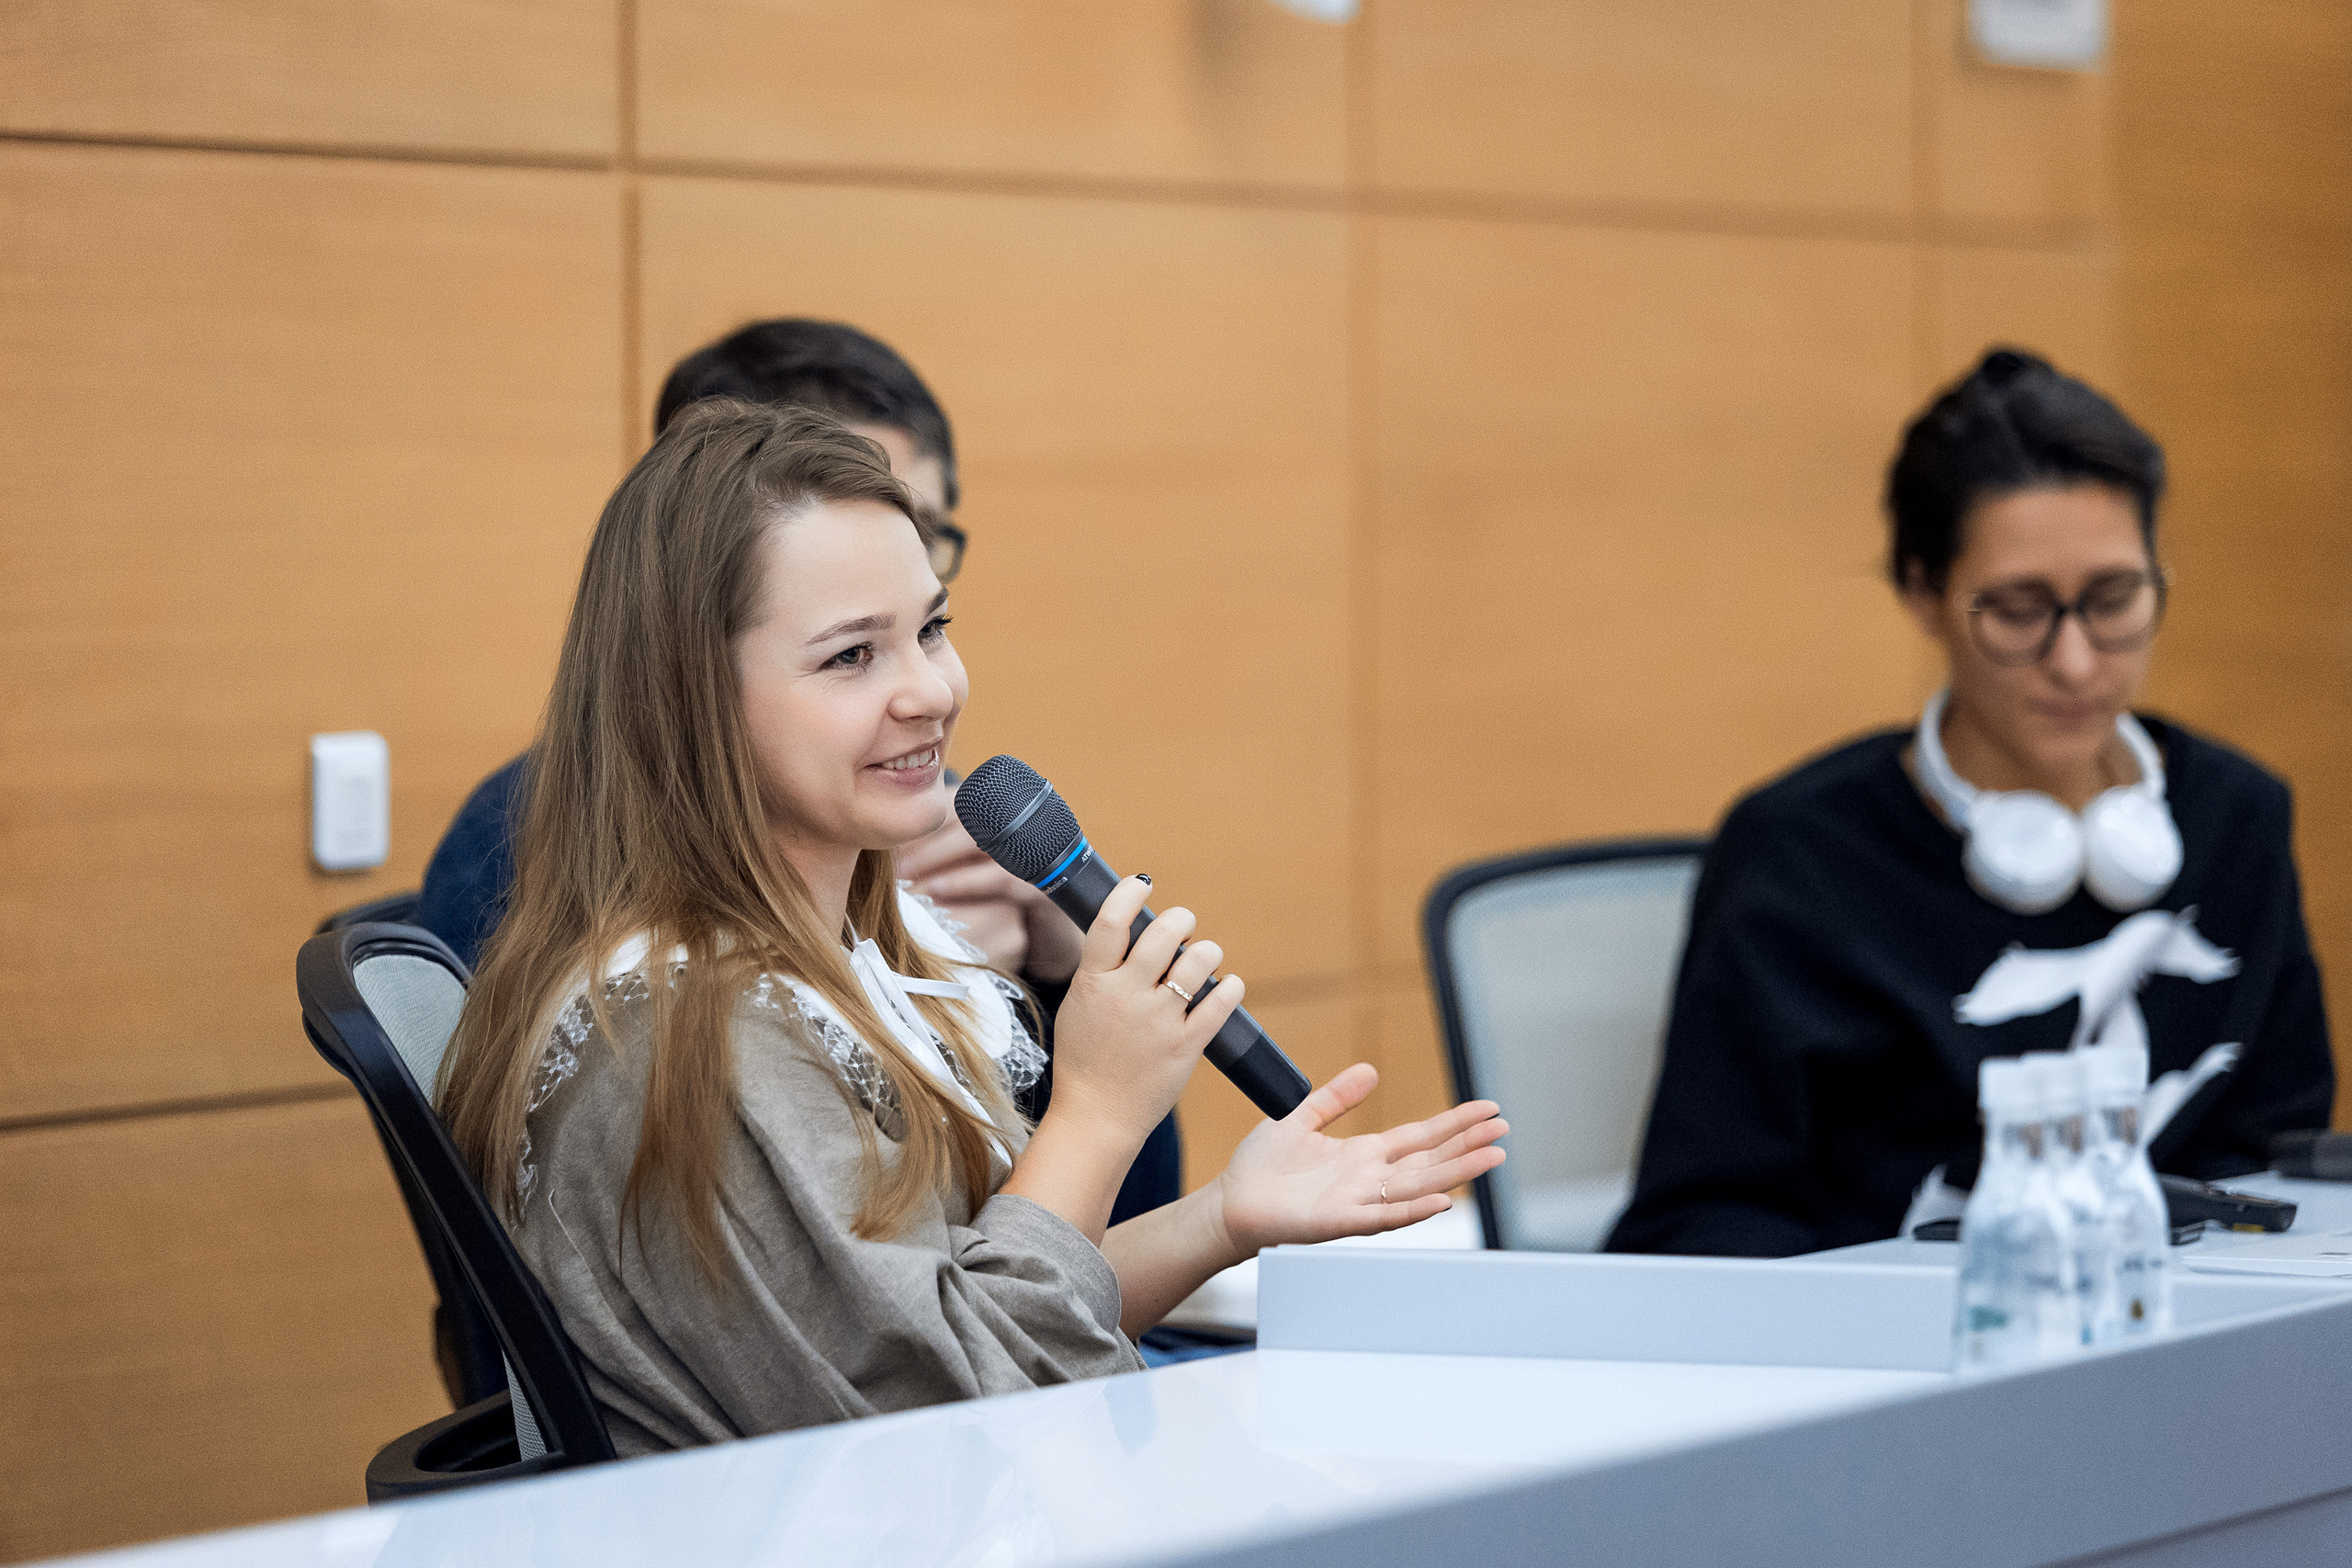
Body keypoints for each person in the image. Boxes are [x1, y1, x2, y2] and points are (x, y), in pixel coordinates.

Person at [433, 401, 1508, 1452]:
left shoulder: (845, 960)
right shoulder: (692, 1036)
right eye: (851, 657)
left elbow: (983, 1315)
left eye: (932, 630)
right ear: (690, 700)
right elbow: (953, 1419)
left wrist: (1223, 1217)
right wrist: (1095, 1110)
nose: (930, 692)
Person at [413, 319, 1184, 1229]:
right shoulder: (552, 867)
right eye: (850, 648)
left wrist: (1050, 972)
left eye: (924, 543)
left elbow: (1102, 1235)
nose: (927, 691)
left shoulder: (936, 815)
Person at [1606, 348, 2334, 1259]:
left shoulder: (2235, 818)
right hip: (1891, 1332)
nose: (2075, 662)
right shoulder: (1799, 856)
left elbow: (2282, 1167)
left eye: (2114, 599)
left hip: (2193, 1323)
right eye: (2020, 610)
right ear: (1923, 593)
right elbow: (1698, 1224)